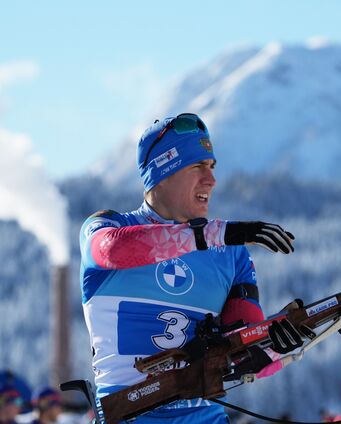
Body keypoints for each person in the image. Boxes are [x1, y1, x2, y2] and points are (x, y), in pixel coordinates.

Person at [79, 113, 303, 424]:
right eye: (197, 166)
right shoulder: (111, 225)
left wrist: (277, 345)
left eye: (211, 167)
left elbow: (243, 352)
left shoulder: (230, 253)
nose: (211, 179)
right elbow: (112, 249)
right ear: (162, 171)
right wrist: (209, 234)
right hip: (128, 416)